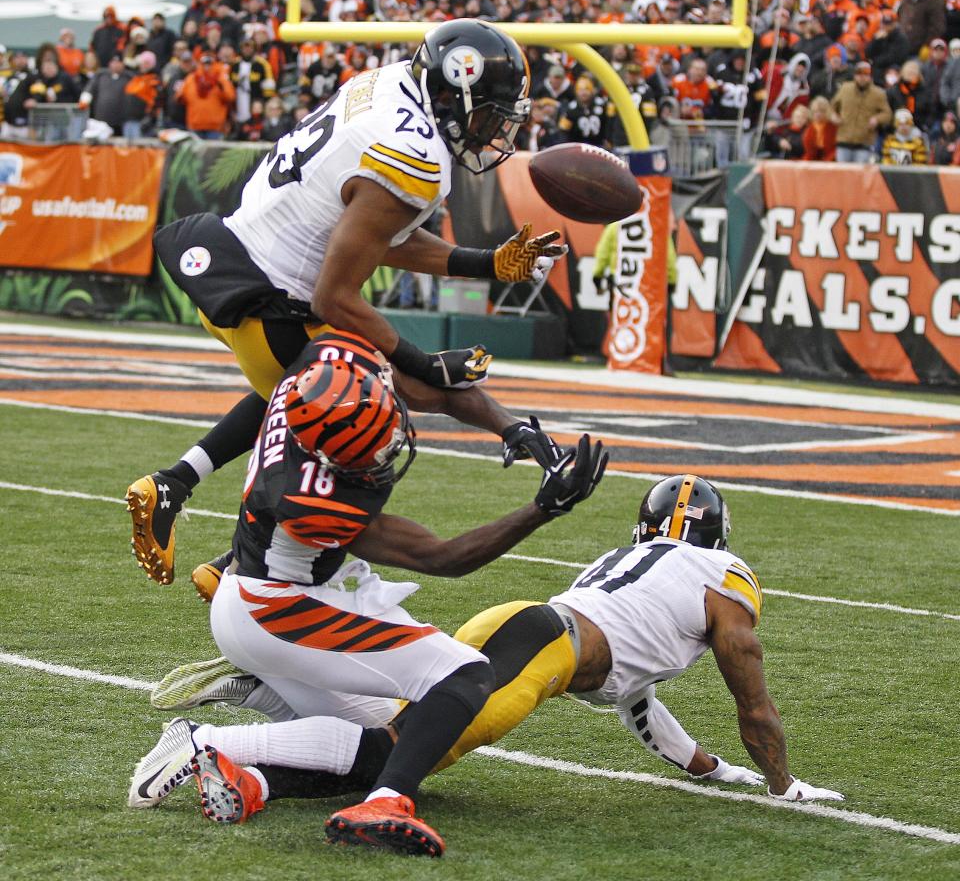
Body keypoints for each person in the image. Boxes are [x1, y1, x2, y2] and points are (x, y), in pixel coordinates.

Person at [138, 473, 843, 851]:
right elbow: (748, 684)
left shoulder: (634, 568)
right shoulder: (722, 573)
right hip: (543, 645)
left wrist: (716, 771)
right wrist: (783, 784)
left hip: (524, 623)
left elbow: (638, 699)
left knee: (405, 730)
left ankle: (258, 763)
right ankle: (216, 741)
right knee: (398, 753)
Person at [129, 330, 607, 858]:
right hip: (277, 612)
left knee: (390, 738)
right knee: (465, 673)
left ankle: (264, 701)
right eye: (369, 452)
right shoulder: (313, 498)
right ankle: (214, 744)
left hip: (266, 598)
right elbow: (443, 558)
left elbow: (432, 383)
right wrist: (544, 508)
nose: (385, 452)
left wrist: (501, 419)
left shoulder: (321, 371)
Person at [125, 19, 567, 589]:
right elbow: (338, 295)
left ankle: (174, 484)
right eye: (488, 114)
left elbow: (373, 232)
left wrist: (481, 262)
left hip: (236, 263)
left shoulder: (387, 85)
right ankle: (237, 562)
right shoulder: (416, 156)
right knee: (364, 417)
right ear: (455, 93)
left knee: (296, 390)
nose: (493, 132)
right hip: (276, 305)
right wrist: (421, 361)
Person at [830, 60, 892, 163]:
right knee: (842, 174)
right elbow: (831, 106)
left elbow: (887, 114)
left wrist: (877, 119)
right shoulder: (845, 89)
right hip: (844, 140)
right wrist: (833, 116)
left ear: (870, 77)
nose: (862, 77)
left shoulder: (878, 94)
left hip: (864, 142)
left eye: (865, 74)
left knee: (859, 175)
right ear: (855, 76)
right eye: (859, 74)